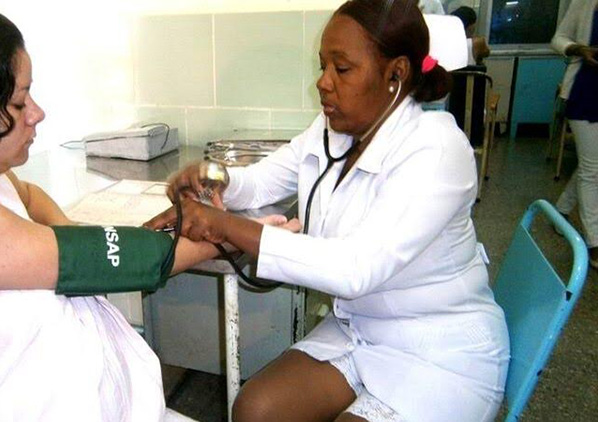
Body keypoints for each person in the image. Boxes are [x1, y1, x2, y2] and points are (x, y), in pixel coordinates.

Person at [0, 3, 273, 421]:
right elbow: (115, 260)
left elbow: (30, 196)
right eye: (19, 103)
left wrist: (63, 226)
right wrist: (236, 236)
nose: (37, 113)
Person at [145, 1, 509, 421]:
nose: (323, 82)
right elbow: (264, 181)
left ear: (396, 73)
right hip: (358, 330)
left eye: (342, 68)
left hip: (439, 350)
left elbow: (355, 269)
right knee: (255, 410)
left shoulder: (436, 149)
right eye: (323, 66)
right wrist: (215, 179)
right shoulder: (334, 129)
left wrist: (223, 225)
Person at [552, 0, 598, 269]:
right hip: (585, 90)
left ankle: (561, 210)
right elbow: (558, 39)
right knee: (592, 170)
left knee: (591, 164)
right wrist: (578, 49)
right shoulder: (584, 4)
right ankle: (594, 241)